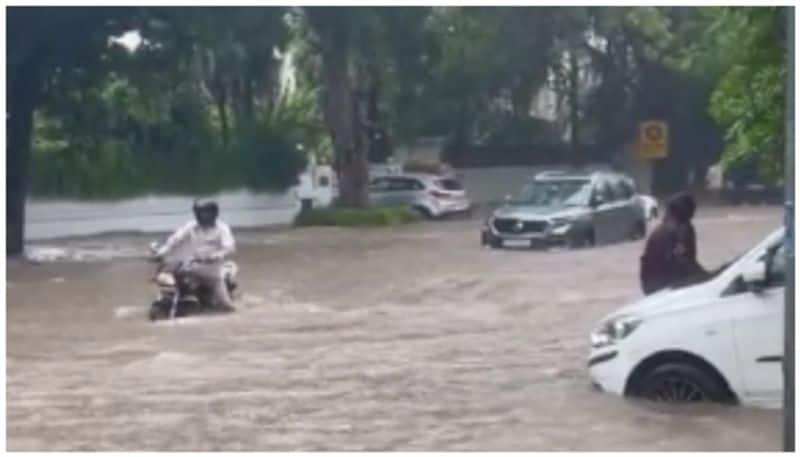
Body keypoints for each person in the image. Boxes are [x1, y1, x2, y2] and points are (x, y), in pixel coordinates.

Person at [154, 200, 236, 310]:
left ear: (213, 213)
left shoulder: (222, 228)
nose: (199, 215)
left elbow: (229, 247)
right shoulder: (191, 226)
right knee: (170, 269)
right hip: (192, 264)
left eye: (203, 212)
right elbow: (175, 239)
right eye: (198, 212)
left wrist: (216, 255)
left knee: (227, 307)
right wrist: (161, 252)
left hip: (212, 269)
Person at [639, 192, 707, 295]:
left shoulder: (675, 229)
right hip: (661, 288)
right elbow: (684, 261)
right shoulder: (670, 233)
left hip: (657, 285)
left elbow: (687, 261)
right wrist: (706, 278)